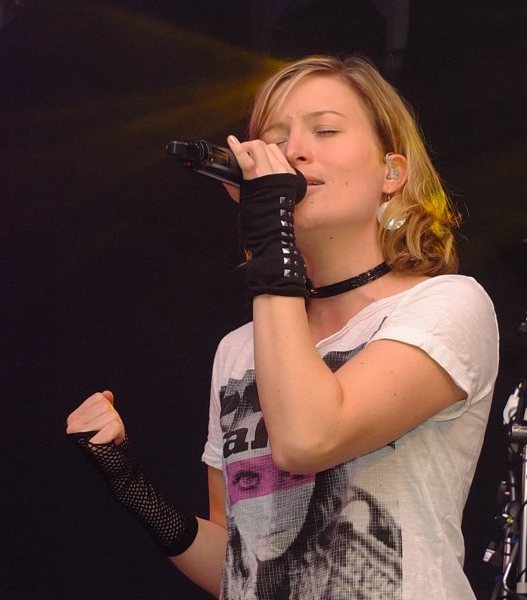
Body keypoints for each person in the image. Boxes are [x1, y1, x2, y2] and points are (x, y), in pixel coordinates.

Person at [67, 54, 499, 599]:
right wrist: (133, 487)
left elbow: (309, 439)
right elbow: (240, 567)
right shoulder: (241, 348)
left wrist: (270, 237)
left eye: (326, 130)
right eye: (275, 138)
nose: (293, 151)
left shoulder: (448, 304)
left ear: (392, 172)